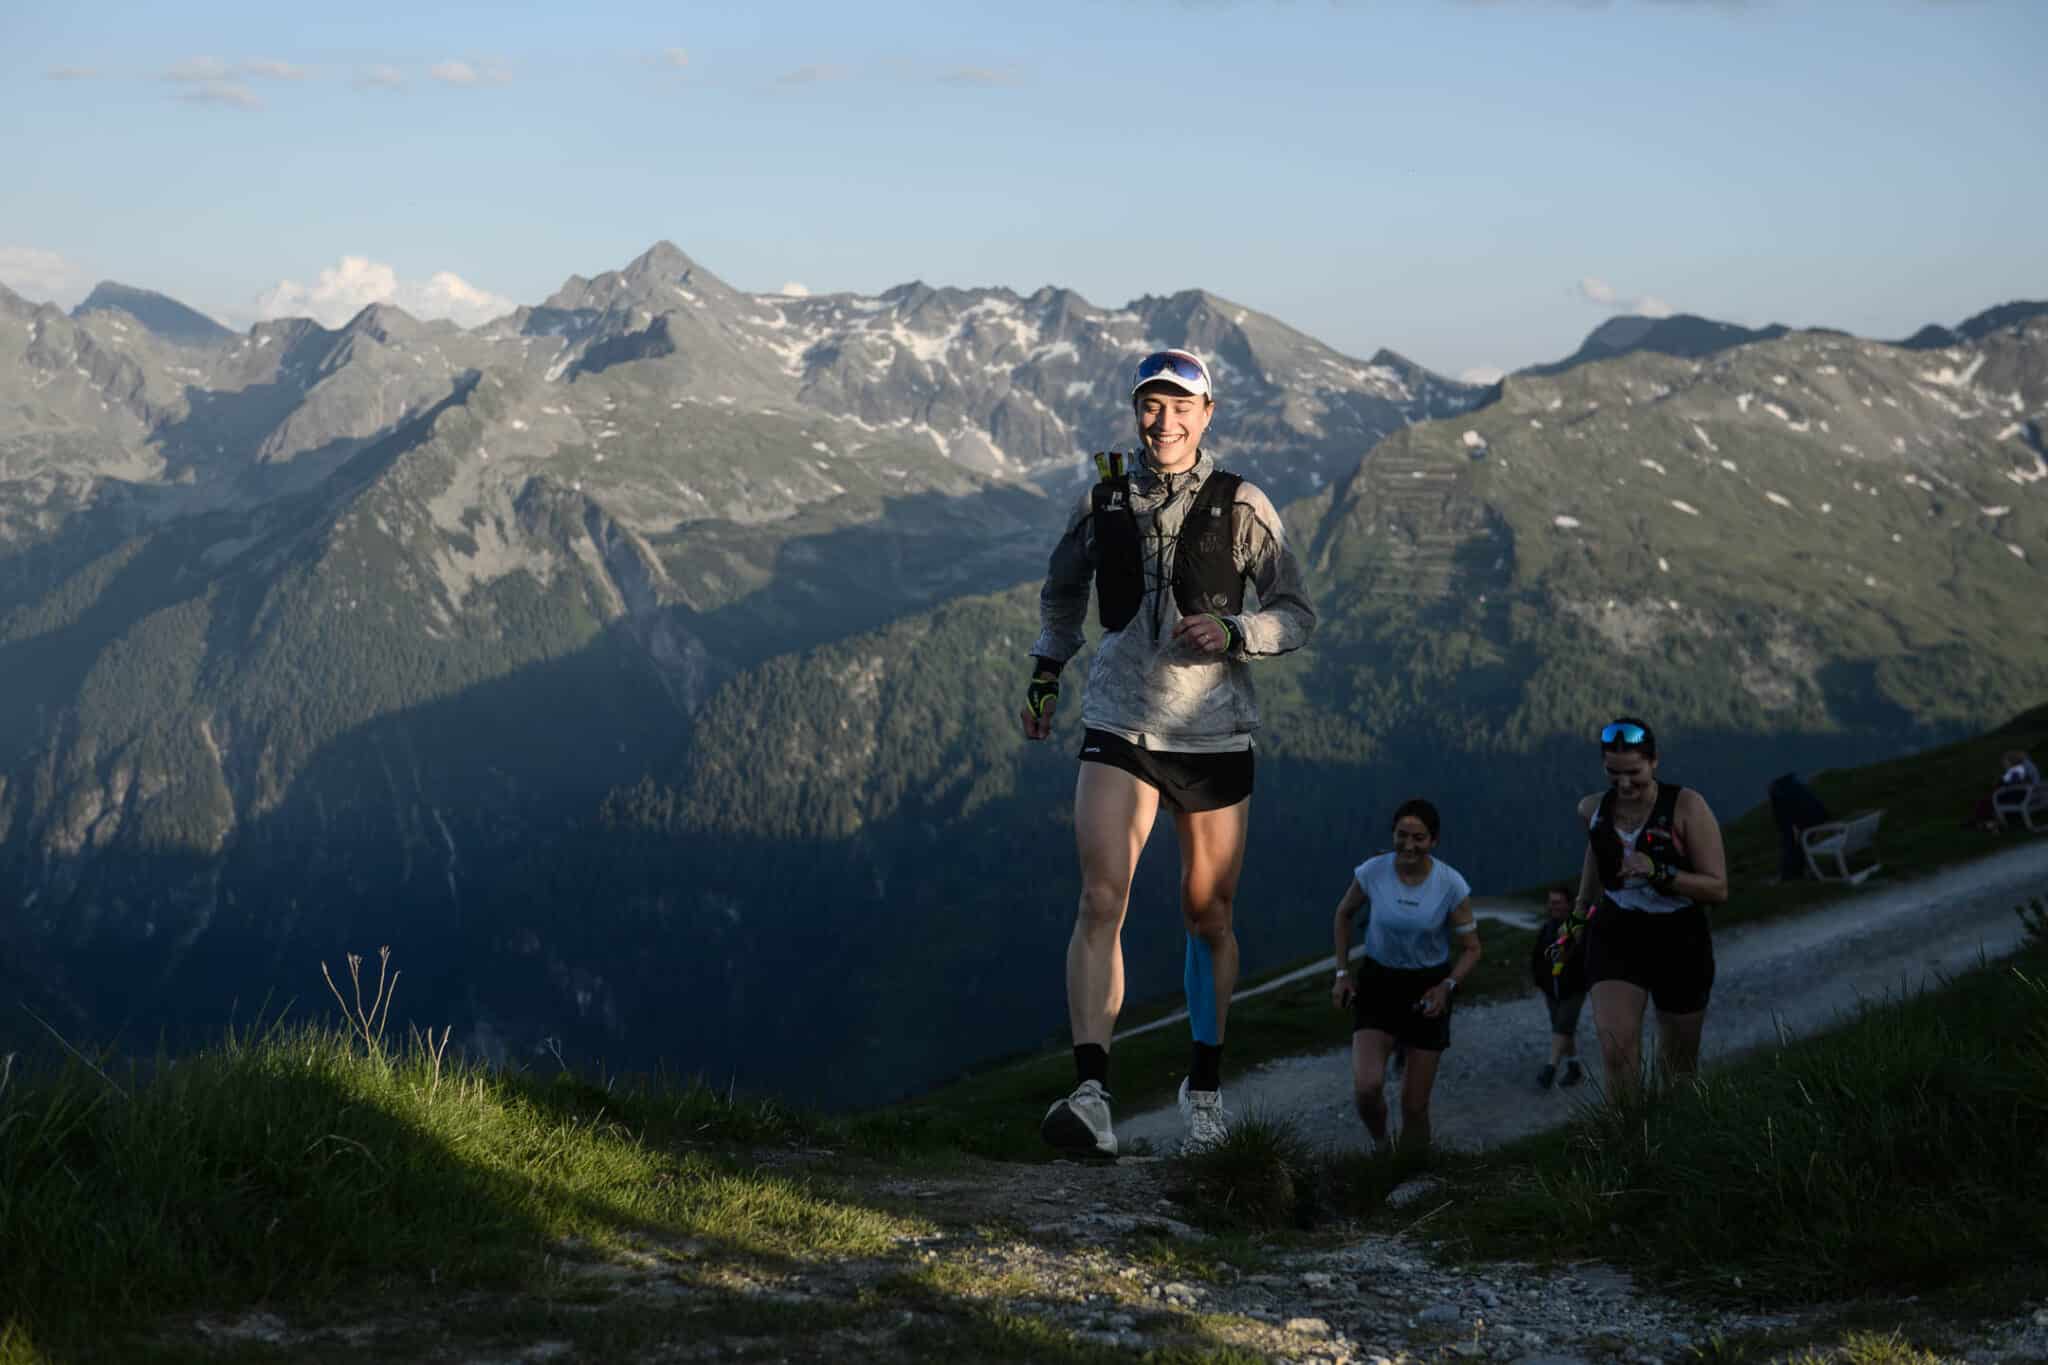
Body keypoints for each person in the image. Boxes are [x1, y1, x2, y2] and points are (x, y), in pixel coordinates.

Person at [1023, 348, 1316, 1157]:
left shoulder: (1243, 504)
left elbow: (1296, 610)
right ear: (1136, 411)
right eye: (1152, 405)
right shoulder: (1104, 499)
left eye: (1182, 406)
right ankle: (1092, 1095)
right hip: (1119, 723)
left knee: (1207, 913)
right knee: (1100, 899)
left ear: (1207, 413)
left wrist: (1235, 630)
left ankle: (1205, 1089)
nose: (1165, 421)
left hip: (1215, 733)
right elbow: (1062, 592)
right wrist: (1046, 673)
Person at [1560, 717, 1728, 1102]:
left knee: (1678, 1066)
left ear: (1654, 762)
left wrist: (1659, 872)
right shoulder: (1593, 809)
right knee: (1616, 1051)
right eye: (1613, 772)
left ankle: (1673, 1130)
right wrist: (1577, 919)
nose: (1623, 784)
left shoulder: (1687, 807)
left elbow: (1717, 888)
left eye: (1633, 773)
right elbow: (1596, 856)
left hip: (1680, 935)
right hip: (1617, 929)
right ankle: (1627, 1132)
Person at [1330, 798, 1481, 1154]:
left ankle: (1414, 1169)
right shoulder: (1372, 872)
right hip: (1378, 983)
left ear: (1434, 841)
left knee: (1414, 1105)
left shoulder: (1450, 885)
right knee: (1367, 1088)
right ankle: (1383, 1148)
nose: (1409, 845)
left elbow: (1473, 948)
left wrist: (1447, 987)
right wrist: (1342, 973)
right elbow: (1343, 914)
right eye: (1402, 835)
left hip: (1427, 987)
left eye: (1419, 838)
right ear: (1393, 834)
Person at [1527, 886, 1586, 1089]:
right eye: (1550, 902)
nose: (1552, 906)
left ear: (1569, 904)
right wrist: (1539, 982)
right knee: (1562, 1029)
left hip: (1575, 988)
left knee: (1562, 1025)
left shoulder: (1578, 927)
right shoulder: (1547, 928)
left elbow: (1584, 954)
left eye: (1557, 902)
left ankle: (1550, 1068)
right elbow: (1537, 957)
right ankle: (1574, 1067)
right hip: (1551, 990)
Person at [1766, 772, 1831, 882]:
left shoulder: (1779, 791)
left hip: (1807, 825)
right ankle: (1794, 872)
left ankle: (1789, 875)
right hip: (1815, 821)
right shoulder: (1795, 786)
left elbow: (1784, 823)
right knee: (1797, 841)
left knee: (1791, 841)